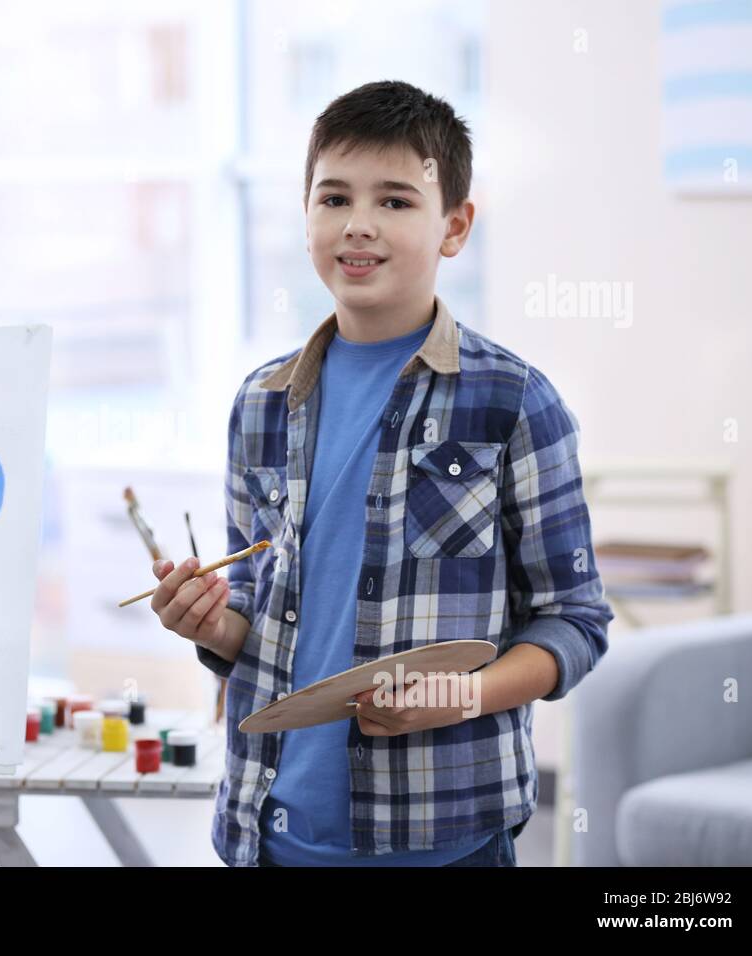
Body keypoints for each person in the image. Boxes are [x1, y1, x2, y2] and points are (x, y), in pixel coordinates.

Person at [149, 80, 614, 867]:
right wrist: (208, 622)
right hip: (269, 833)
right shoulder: (258, 406)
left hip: (446, 841)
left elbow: (575, 621)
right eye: (334, 198)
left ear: (455, 226)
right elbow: (262, 628)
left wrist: (458, 695)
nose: (358, 224)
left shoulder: (515, 403)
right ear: (306, 219)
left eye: (396, 201)